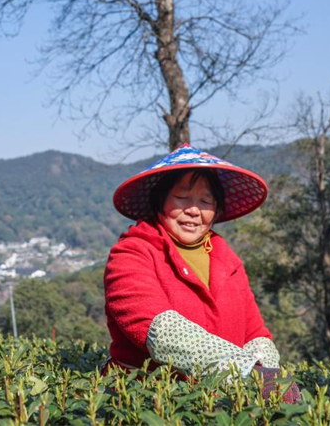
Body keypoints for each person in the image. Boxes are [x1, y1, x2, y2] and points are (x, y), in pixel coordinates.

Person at [105, 144, 299, 401]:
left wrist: (269, 377)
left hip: (222, 402)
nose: (194, 210)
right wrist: (244, 370)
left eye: (206, 201)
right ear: (160, 200)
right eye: (182, 198)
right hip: (149, 401)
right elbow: (159, 332)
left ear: (216, 210)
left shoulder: (228, 261)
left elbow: (256, 334)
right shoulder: (132, 253)